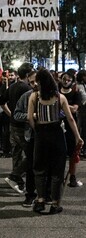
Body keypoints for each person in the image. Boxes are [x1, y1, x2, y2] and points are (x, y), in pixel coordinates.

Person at [28, 68, 84, 214]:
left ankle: (40, 200)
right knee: (57, 171)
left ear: (40, 82)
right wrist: (78, 136)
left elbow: (29, 118)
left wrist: (37, 129)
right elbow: (70, 118)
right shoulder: (60, 97)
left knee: (39, 169)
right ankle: (55, 203)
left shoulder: (34, 96)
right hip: (57, 134)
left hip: (41, 134)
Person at [0, 62, 33, 194]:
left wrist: (11, 115)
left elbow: (2, 102)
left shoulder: (12, 87)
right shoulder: (26, 89)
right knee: (29, 154)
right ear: (27, 74)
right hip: (23, 126)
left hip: (13, 124)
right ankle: (16, 177)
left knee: (16, 154)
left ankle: (17, 182)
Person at [13, 70, 37, 207]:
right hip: (31, 136)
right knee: (31, 168)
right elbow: (17, 115)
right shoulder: (26, 96)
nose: (34, 84)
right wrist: (30, 116)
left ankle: (46, 195)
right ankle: (30, 195)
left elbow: (63, 111)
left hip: (49, 136)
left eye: (36, 81)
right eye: (31, 82)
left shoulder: (53, 95)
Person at [59, 71, 82, 187]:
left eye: (68, 80)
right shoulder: (57, 92)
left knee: (73, 153)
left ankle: (72, 177)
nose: (66, 82)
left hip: (71, 126)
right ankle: (59, 177)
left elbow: (74, 109)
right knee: (60, 153)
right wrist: (69, 106)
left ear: (72, 81)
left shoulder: (75, 94)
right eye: (64, 79)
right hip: (58, 124)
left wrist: (62, 104)